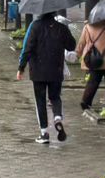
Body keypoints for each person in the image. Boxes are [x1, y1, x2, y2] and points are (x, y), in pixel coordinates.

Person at [16, 12, 77, 144]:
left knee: (40, 101)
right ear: (54, 14)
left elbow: (28, 48)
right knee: (55, 97)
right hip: (56, 70)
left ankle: (44, 134)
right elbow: (72, 46)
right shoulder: (61, 28)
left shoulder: (35, 27)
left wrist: (21, 68)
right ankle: (57, 117)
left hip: (38, 71)